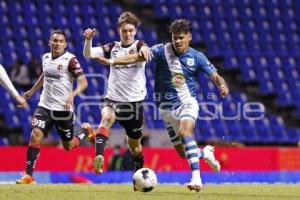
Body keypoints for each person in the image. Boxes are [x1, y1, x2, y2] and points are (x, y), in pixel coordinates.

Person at [95, 19, 229, 192]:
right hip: (166, 109)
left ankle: (196, 178)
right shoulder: (161, 50)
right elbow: (138, 56)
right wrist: (113, 61)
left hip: (187, 103)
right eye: (174, 38)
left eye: (181, 37)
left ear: (189, 37)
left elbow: (216, 76)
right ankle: (205, 153)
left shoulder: (197, 57)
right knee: (183, 153)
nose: (177, 41)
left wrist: (222, 85)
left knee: (185, 132)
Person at [16, 30, 91, 184]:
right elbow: (45, 74)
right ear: (50, 42)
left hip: (63, 110)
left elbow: (84, 83)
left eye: (60, 41)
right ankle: (28, 175)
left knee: (68, 146)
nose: (57, 44)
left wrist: (73, 94)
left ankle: (84, 132)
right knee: (35, 135)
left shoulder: (71, 60)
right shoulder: (45, 58)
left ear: (65, 44)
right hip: (45, 106)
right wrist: (33, 90)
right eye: (55, 41)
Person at [82, 11, 152, 174]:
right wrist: (88, 40)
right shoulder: (112, 47)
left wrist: (146, 49)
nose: (127, 34)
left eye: (130, 31)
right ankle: (99, 156)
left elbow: (142, 54)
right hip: (113, 99)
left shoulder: (139, 45)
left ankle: (139, 171)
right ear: (118, 31)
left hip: (133, 104)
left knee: (134, 145)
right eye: (124, 31)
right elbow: (88, 54)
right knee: (106, 118)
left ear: (135, 31)